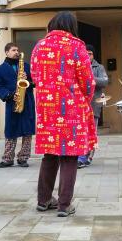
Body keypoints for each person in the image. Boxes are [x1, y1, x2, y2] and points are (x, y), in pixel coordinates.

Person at [31, 11, 97, 217]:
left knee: (49, 154)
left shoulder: (39, 46)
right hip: (71, 109)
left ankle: (43, 200)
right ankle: (64, 204)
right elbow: (87, 81)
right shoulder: (77, 46)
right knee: (69, 156)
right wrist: (84, 100)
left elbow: (34, 75)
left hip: (46, 109)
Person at [0, 43, 35, 168]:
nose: (16, 52)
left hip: (27, 102)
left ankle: (23, 158)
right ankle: (8, 159)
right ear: (6, 52)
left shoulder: (26, 66)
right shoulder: (1, 69)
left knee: (27, 132)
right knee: (11, 131)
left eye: (17, 50)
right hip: (12, 102)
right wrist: (9, 95)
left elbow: (36, 82)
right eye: (13, 50)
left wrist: (28, 80)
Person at [78, 44, 108, 169]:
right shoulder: (78, 66)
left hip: (93, 106)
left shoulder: (99, 67)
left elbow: (105, 81)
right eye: (85, 53)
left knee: (91, 133)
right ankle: (80, 156)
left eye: (90, 53)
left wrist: (90, 77)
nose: (87, 55)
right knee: (80, 133)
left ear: (93, 55)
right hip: (79, 105)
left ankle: (87, 157)